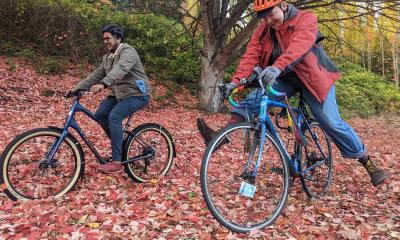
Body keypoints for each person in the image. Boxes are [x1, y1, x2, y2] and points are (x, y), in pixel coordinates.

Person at [197, 0, 388, 186]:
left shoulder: (306, 19)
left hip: (314, 78)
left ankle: (367, 162)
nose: (268, 21)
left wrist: (277, 67)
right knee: (252, 101)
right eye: (263, 17)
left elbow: (300, 46)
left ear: (283, 5)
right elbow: (251, 56)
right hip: (284, 79)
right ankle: (219, 137)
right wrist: (235, 82)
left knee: (330, 122)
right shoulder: (263, 31)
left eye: (271, 15)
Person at [66, 24, 151, 173]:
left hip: (137, 94)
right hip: (119, 95)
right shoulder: (107, 58)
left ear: (118, 38)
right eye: (103, 39)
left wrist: (104, 84)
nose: (105, 41)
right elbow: (95, 75)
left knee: (114, 116)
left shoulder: (128, 51)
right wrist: (77, 89)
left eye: (108, 38)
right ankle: (121, 145)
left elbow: (121, 69)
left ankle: (117, 162)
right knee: (101, 114)